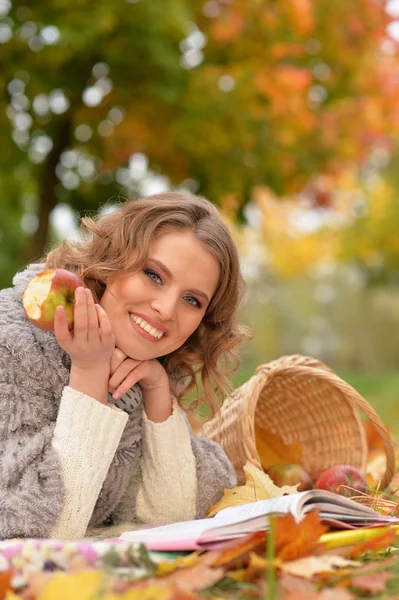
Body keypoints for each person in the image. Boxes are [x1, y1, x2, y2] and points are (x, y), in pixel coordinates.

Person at [0, 191, 248, 540]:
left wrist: (159, 395)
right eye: (153, 275)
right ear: (112, 259)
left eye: (192, 300)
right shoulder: (14, 343)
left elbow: (170, 520)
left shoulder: (149, 370)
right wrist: (89, 373)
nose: (165, 308)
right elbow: (31, 529)